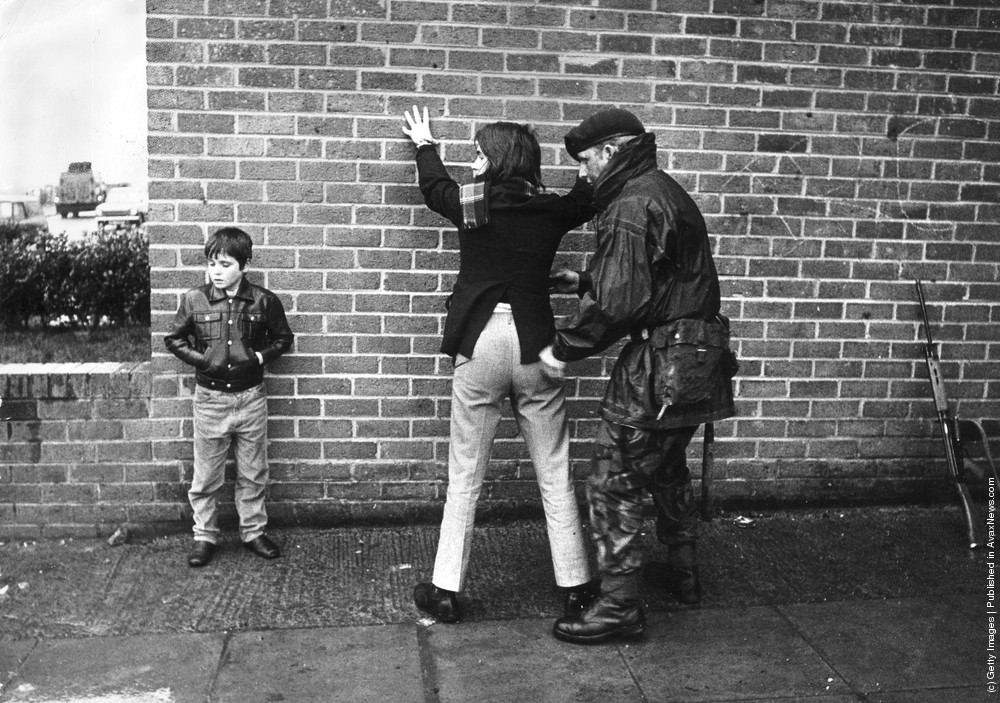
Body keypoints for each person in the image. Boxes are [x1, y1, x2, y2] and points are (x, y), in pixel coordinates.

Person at [540, 108, 738, 644]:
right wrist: (585, 275)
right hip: (698, 362)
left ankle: (619, 607)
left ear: (609, 151)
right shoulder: (661, 188)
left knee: (613, 478)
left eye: (584, 161)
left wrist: (563, 348)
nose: (581, 174)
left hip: (660, 367)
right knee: (669, 466)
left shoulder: (629, 203)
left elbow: (621, 301)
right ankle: (683, 570)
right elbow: (666, 280)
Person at [401, 106, 600, 622]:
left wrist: (425, 144)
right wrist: (587, 164)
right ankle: (577, 584)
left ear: (493, 161)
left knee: (465, 472)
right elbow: (586, 198)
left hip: (480, 340)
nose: (471, 162)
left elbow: (434, 189)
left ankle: (446, 587)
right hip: (537, 342)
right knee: (554, 468)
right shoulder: (551, 210)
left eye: (477, 154)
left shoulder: (474, 204)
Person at [165, 227, 294, 568]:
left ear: (244, 265)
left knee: (253, 472)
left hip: (251, 399)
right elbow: (174, 339)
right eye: (211, 264)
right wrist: (202, 359)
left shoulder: (264, 301)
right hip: (210, 401)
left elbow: (283, 338)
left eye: (224, 264)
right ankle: (204, 535)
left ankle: (253, 532)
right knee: (207, 475)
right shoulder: (195, 299)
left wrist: (260, 358)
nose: (216, 271)